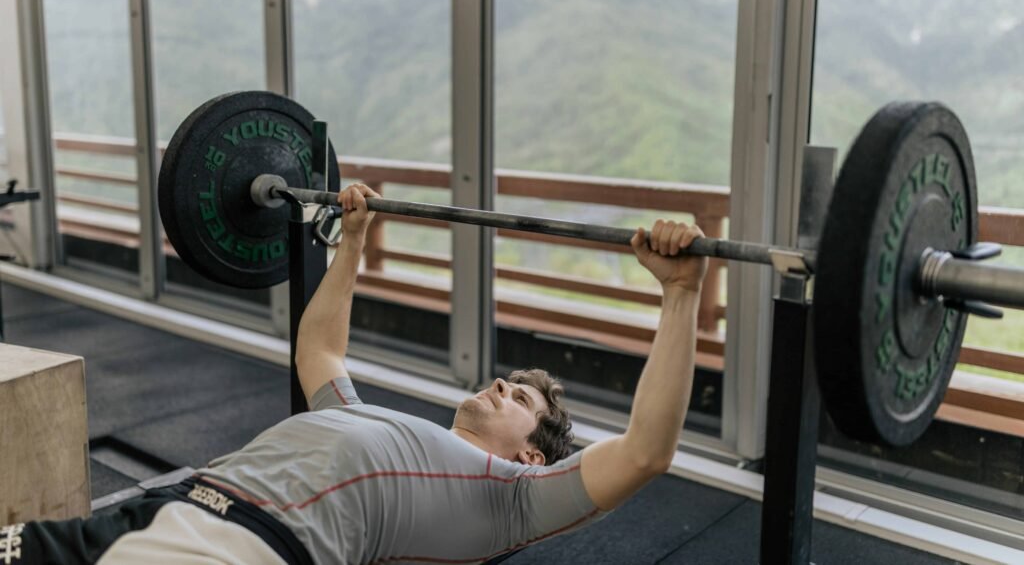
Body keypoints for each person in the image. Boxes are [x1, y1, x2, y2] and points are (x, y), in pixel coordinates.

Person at [4, 184, 706, 565]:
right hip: (169, 502)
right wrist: (353, 246)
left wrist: (678, 295)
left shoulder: (513, 497)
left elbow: (646, 451)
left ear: (530, 451)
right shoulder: (371, 419)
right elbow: (321, 355)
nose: (501, 384)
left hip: (237, 544)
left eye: (517, 396)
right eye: (506, 380)